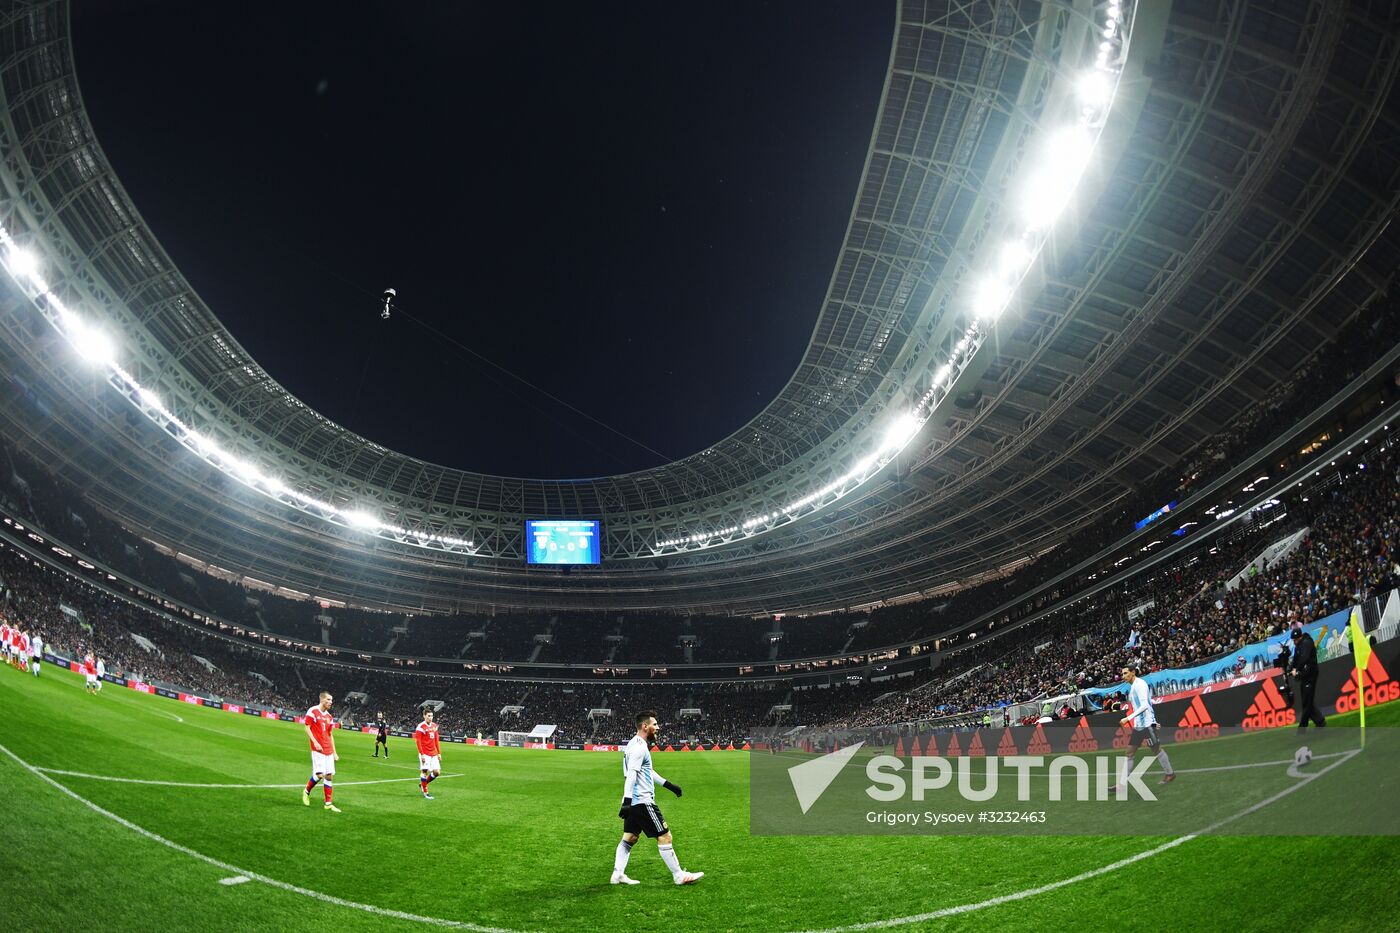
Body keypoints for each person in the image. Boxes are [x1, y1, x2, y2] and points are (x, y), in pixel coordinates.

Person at [612, 711, 702, 886]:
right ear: (645, 726)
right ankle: (678, 875)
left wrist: (669, 785)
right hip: (642, 801)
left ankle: (618, 874)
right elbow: (632, 774)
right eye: (655, 724)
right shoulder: (639, 747)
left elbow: (647, 771)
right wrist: (627, 801)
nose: (658, 728)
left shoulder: (634, 744)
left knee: (630, 838)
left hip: (635, 802)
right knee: (665, 836)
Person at [1110, 665, 1175, 794]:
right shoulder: (1133, 686)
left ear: (1133, 672)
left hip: (1147, 724)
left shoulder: (1140, 684)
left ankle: (1170, 774)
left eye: (1126, 673)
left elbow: (1145, 705)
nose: (1123, 676)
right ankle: (1121, 785)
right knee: (1129, 752)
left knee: (1156, 749)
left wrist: (1128, 718)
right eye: (1122, 674)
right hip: (1139, 725)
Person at [301, 691, 341, 812]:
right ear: (322, 699)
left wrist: (334, 752)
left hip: (328, 749)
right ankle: (306, 791)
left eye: (331, 700)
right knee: (319, 775)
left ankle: (328, 803)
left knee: (329, 776)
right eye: (328, 700)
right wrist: (315, 742)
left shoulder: (329, 717)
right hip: (318, 749)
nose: (331, 702)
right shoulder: (312, 711)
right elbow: (306, 728)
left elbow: (330, 735)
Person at [1289, 626, 1325, 732]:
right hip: (1304, 675)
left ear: (1300, 637)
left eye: (1296, 639)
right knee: (1307, 701)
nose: (1294, 642)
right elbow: (1296, 659)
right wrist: (1290, 669)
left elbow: (1304, 658)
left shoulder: (1307, 643)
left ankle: (1302, 728)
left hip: (1310, 674)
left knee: (1307, 702)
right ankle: (1320, 722)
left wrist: (1297, 669)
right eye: (1293, 640)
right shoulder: (1298, 646)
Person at [414, 707, 442, 799]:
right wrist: (421, 754)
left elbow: (436, 740)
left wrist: (439, 753)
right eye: (429, 716)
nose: (430, 717)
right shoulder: (420, 727)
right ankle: (425, 792)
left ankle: (423, 783)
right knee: (424, 771)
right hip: (425, 753)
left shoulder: (434, 726)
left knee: (437, 772)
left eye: (432, 716)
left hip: (433, 753)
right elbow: (418, 741)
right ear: (424, 716)